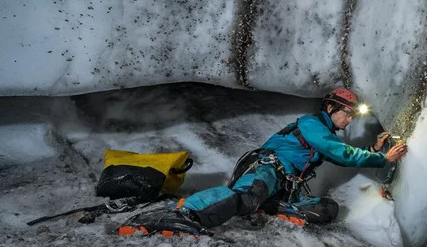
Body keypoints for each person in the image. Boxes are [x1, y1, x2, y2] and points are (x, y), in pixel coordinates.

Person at [120, 87, 408, 236]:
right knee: (248, 196)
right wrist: (381, 158)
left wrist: (374, 147)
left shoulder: (323, 133)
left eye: (352, 117)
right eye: (346, 113)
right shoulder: (311, 124)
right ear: (331, 108)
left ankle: (272, 206)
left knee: (328, 209)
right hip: (265, 167)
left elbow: (334, 150)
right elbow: (339, 152)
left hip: (283, 187)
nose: (349, 120)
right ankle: (180, 214)